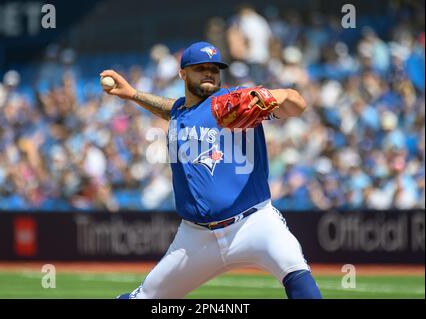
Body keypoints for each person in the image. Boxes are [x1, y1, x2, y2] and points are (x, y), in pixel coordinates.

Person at [100, 41, 322, 299]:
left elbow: (297, 104)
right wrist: (134, 95)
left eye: (214, 69)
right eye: (200, 68)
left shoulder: (234, 102)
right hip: (195, 237)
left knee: (300, 279)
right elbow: (171, 109)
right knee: (144, 298)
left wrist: (275, 96)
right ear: (183, 73)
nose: (209, 73)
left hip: (254, 223)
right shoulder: (180, 111)